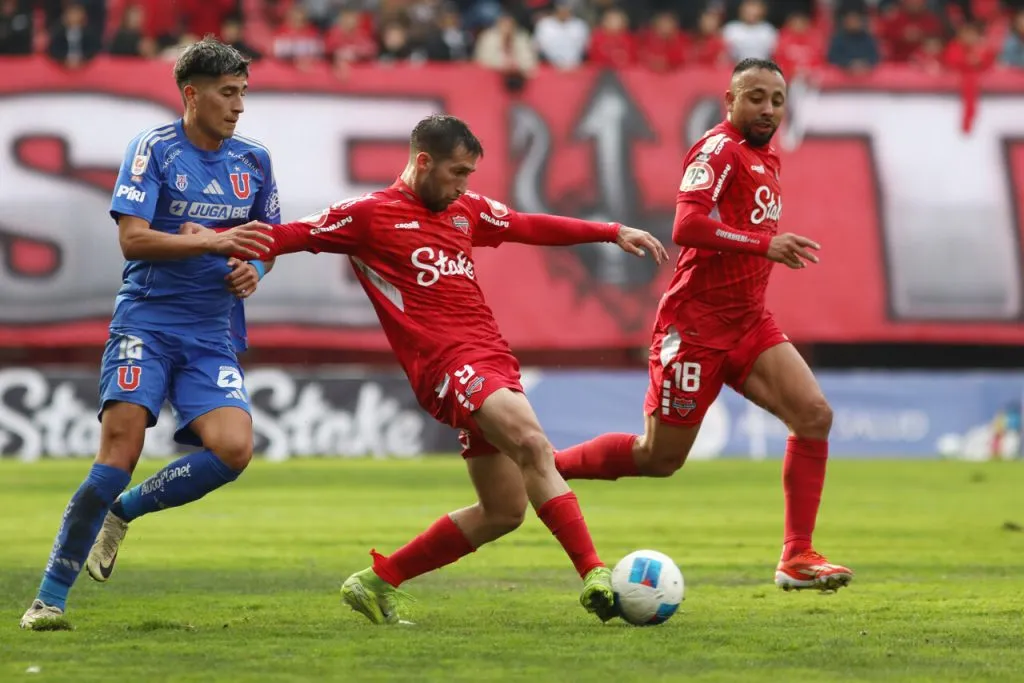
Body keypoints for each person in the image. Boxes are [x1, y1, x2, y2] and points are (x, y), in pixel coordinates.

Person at [213, 114, 669, 624]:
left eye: (469, 174)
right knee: (534, 445)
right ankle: (594, 573)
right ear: (424, 162)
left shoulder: (465, 211)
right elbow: (288, 235)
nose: (463, 185)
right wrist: (230, 255)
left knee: (503, 511)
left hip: (492, 359)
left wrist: (611, 231)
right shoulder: (368, 215)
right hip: (449, 367)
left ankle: (376, 581)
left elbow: (526, 225)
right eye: (457, 172)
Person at [553, 58, 854, 593]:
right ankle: (545, 468)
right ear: (730, 100)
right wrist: (764, 244)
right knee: (659, 457)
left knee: (813, 415)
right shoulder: (718, 149)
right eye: (756, 97)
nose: (768, 109)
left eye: (777, 100)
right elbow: (686, 225)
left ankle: (797, 556)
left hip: (748, 321)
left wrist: (760, 251)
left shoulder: (766, 155)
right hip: (694, 327)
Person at [20, 37, 279, 630]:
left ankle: (123, 511)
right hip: (148, 321)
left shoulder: (254, 160)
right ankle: (49, 599)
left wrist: (255, 268)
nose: (239, 106)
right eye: (227, 93)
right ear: (192, 94)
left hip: (211, 332)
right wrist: (214, 241)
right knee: (119, 453)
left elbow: (268, 238)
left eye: (243, 93)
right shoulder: (153, 150)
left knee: (234, 449)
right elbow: (133, 240)